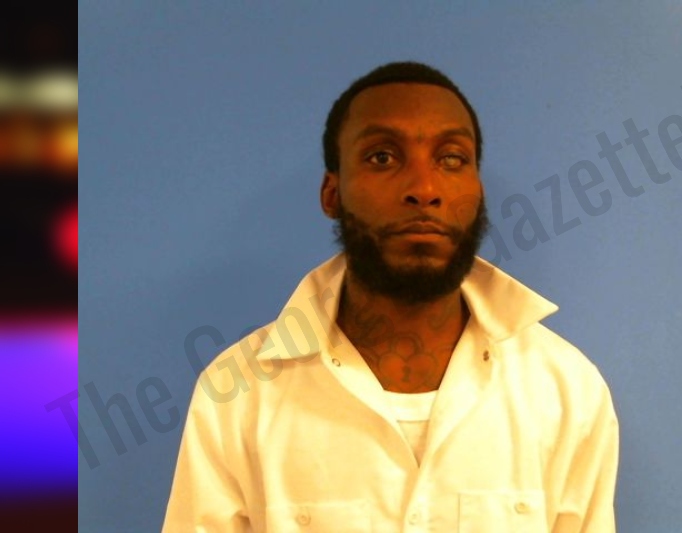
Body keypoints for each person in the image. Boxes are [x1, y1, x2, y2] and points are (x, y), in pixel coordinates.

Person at [163, 61, 619, 532]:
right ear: (332, 193)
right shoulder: (239, 395)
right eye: (383, 157)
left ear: (477, 191)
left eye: (451, 159)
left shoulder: (565, 392)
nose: (424, 189)